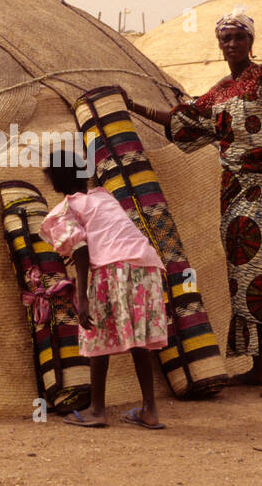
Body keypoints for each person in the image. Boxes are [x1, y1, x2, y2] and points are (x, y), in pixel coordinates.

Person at [125, 8, 262, 397]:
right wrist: (133, 106)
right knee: (240, 280)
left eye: (238, 37)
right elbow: (179, 122)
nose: (231, 44)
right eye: (225, 38)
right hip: (232, 194)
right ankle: (257, 367)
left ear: (251, 41)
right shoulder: (218, 93)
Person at [39, 148, 170, 429]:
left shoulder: (67, 209)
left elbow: (81, 252)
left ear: (57, 180)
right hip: (145, 266)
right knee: (139, 340)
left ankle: (97, 410)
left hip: (112, 267)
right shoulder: (103, 197)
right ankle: (150, 410)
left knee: (95, 337)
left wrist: (84, 296)